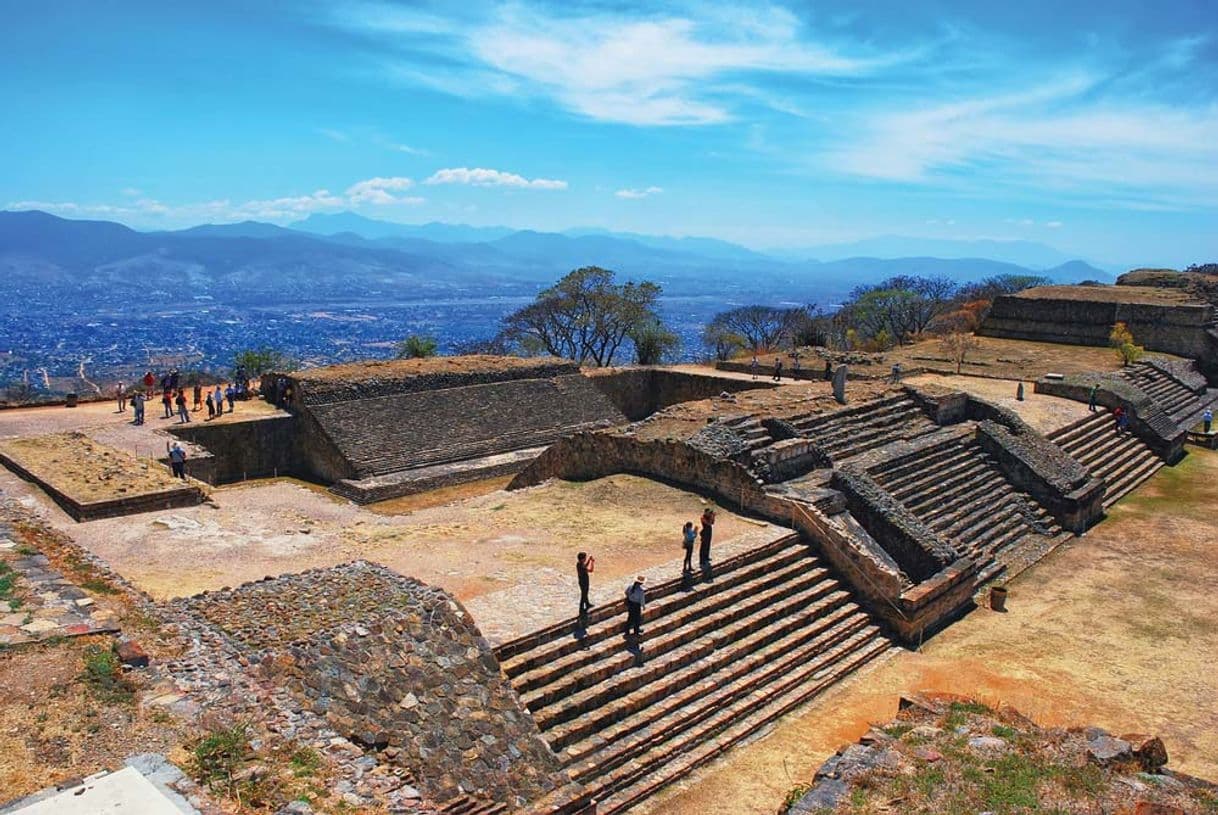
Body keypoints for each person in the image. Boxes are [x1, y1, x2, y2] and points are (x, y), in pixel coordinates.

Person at [576, 552, 595, 618]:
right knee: (584, 595)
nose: (585, 559)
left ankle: (587, 604)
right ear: (582, 559)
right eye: (585, 558)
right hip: (584, 582)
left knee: (585, 593)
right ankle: (581, 609)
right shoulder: (582, 566)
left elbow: (585, 565)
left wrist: (589, 560)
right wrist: (592, 562)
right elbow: (591, 570)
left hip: (582, 581)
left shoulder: (579, 564)